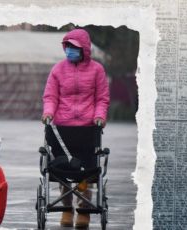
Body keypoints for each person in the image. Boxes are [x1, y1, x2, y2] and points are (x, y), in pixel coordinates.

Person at [42, 28, 110, 229]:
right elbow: (50, 97)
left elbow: (102, 98)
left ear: (85, 49)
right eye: (68, 46)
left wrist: (99, 116)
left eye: (75, 47)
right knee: (62, 168)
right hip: (62, 128)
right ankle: (66, 208)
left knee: (86, 170)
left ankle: (83, 209)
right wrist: (48, 113)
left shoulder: (97, 70)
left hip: (88, 129)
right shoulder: (57, 70)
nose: (70, 50)